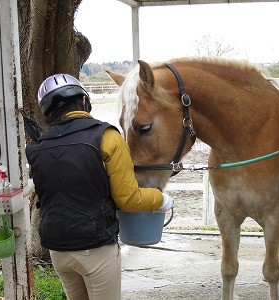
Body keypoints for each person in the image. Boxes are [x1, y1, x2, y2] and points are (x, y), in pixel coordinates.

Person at [25, 73, 173, 300]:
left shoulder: (38, 148)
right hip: (95, 249)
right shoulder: (106, 136)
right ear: (84, 101)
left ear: (48, 111)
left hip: (57, 250)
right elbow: (129, 199)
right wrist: (160, 199)